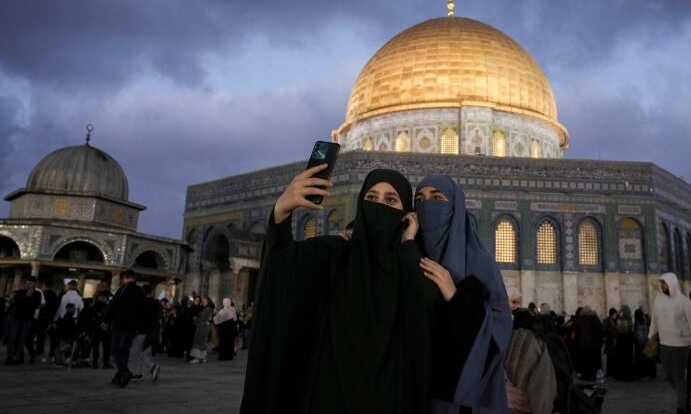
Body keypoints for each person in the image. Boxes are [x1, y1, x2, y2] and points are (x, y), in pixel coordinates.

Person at [240, 166, 438, 414]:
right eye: (371, 198)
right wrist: (281, 211)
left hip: (389, 399)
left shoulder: (408, 263)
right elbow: (284, 263)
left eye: (391, 200)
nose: (379, 205)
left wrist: (409, 243)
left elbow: (426, 310)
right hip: (328, 395)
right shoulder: (335, 252)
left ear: (406, 214)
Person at [414, 175, 512, 412]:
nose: (428, 205)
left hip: (457, 397)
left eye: (437, 198)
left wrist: (456, 297)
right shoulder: (410, 252)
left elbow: (500, 326)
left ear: (455, 208)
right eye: (420, 199)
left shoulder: (478, 261)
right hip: (413, 380)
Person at [648, 273, 691, 414]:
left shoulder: (683, 301)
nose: (662, 286)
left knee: (678, 375)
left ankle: (681, 407)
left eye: (664, 283)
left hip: (681, 344)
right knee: (669, 375)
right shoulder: (658, 299)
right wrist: (651, 338)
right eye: (661, 284)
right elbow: (654, 320)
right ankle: (686, 397)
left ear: (671, 283)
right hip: (664, 343)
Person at [504, 308, 557, 414]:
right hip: (526, 405)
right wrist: (542, 408)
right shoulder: (537, 343)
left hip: (503, 404)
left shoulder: (505, 339)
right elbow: (543, 378)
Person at [105, 269, 146, 388]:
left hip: (121, 325)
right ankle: (119, 375)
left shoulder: (123, 289)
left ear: (125, 278)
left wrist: (105, 319)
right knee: (124, 350)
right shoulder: (140, 291)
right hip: (133, 327)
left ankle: (124, 371)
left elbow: (113, 305)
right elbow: (143, 310)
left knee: (115, 349)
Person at [4, 276, 42, 365]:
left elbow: (34, 306)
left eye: (30, 283)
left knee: (22, 340)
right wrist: (27, 296)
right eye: (27, 283)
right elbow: (17, 304)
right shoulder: (20, 292)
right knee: (12, 338)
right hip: (16, 318)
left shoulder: (37, 294)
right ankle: (10, 356)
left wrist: (29, 297)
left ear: (34, 284)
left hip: (27, 320)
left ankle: (18, 358)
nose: (27, 285)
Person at [128, 284, 161, 382]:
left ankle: (152, 366)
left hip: (142, 330)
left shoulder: (142, 303)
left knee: (136, 351)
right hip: (152, 331)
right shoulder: (156, 303)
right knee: (140, 351)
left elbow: (139, 317)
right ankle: (138, 374)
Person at [613, 305, 635, 381]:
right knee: (628, 358)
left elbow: (617, 330)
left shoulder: (619, 320)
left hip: (621, 340)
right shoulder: (630, 320)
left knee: (621, 358)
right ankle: (629, 375)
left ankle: (621, 375)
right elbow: (632, 330)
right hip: (628, 341)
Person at [633, 308, 656, 380]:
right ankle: (650, 374)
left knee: (640, 360)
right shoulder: (646, 321)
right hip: (646, 342)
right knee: (648, 359)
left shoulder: (636, 323)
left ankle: (640, 374)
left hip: (639, 344)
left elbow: (635, 333)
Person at [189, 297, 213, 363]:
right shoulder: (205, 309)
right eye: (203, 301)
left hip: (202, 327)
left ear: (208, 302)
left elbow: (202, 318)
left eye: (205, 301)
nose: (204, 302)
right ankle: (202, 358)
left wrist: (195, 319)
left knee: (199, 341)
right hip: (202, 327)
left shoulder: (207, 309)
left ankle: (197, 358)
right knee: (202, 342)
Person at [603, 307, 618, 377]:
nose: (616, 316)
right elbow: (607, 330)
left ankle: (611, 371)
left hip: (611, 341)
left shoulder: (611, 320)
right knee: (610, 357)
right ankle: (610, 372)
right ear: (612, 314)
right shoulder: (608, 321)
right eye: (615, 314)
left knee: (611, 357)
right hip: (610, 341)